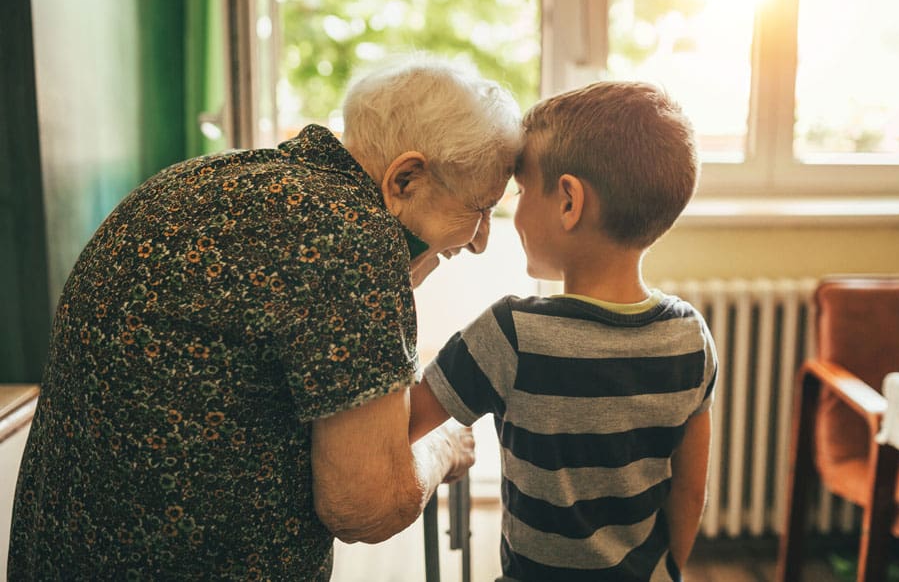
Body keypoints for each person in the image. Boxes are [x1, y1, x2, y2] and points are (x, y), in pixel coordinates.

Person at [9, 58, 522, 579]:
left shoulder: (205, 178)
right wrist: (440, 448)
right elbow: (367, 505)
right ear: (405, 179)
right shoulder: (350, 236)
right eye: (480, 208)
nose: (480, 240)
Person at [410, 81, 717, 582]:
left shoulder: (510, 335)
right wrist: (670, 570)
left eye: (523, 190)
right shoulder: (689, 338)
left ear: (569, 201)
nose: (512, 210)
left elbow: (403, 423)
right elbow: (689, 489)